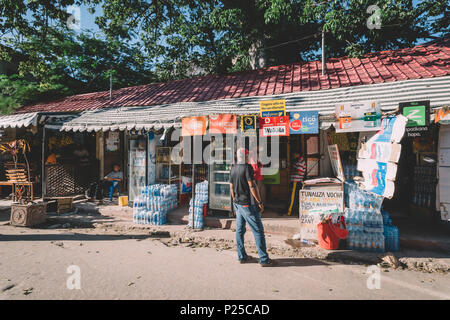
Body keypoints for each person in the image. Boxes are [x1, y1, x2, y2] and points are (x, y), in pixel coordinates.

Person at [230, 148, 276, 267]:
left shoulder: (233, 168)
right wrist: (259, 201)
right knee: (258, 231)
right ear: (244, 157)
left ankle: (242, 256)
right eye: (247, 156)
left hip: (238, 204)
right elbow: (252, 186)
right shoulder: (247, 168)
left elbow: (231, 187)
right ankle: (264, 259)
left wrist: (235, 199)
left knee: (240, 230)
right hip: (247, 204)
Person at [287, 151, 306, 216]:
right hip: (294, 181)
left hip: (296, 181)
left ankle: (289, 212)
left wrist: (291, 171)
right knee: (293, 196)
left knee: (293, 197)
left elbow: (299, 172)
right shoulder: (297, 161)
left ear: (297, 154)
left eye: (294, 154)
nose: (293, 155)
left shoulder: (301, 161)